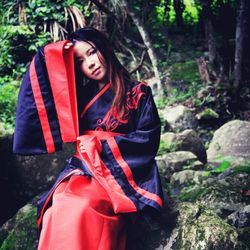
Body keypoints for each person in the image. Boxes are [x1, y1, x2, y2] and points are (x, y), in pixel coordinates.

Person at [14, 27, 163, 250]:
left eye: (92, 52)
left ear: (104, 48)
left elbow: (148, 140)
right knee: (57, 207)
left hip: (118, 175)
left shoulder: (138, 93)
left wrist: (99, 146)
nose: (90, 63)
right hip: (82, 172)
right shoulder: (79, 100)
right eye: (81, 61)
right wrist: (52, 54)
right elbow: (45, 84)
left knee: (82, 207)